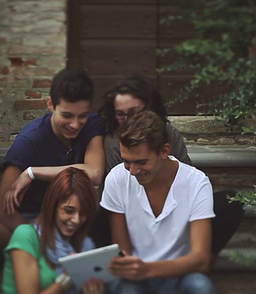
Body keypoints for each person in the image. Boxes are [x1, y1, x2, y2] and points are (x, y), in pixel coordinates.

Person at [0, 68, 105, 294]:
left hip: (75, 220)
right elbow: (1, 209)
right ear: (50, 104)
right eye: (67, 115)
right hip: (30, 223)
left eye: (82, 116)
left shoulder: (92, 125)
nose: (76, 125)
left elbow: (94, 173)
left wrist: (33, 172)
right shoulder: (30, 139)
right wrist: (39, 239)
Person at [102, 111, 221, 294]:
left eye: (141, 162)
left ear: (164, 151)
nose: (133, 171)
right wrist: (133, 269)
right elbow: (122, 250)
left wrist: (146, 269)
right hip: (134, 281)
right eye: (126, 161)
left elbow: (200, 259)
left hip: (178, 278)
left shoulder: (196, 182)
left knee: (201, 287)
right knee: (128, 293)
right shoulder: (117, 179)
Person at [94, 74, 243, 259]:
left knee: (229, 202)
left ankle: (196, 260)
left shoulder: (169, 134)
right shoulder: (112, 143)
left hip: (172, 211)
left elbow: (185, 180)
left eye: (134, 113)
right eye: (120, 114)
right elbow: (121, 192)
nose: (126, 119)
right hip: (131, 214)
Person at [0, 167, 119, 294]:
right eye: (69, 211)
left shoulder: (83, 246)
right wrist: (69, 275)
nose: (76, 220)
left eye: (83, 213)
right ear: (53, 206)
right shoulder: (27, 236)